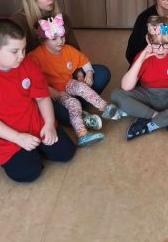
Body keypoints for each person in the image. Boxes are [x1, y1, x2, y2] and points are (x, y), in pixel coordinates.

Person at [0, 19, 76, 183]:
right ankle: (33, 151)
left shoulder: (27, 63)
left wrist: (49, 124)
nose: (21, 56)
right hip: (7, 139)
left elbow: (42, 97)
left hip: (35, 124)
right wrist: (18, 138)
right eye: (14, 51)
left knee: (66, 153)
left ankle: (42, 140)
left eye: (23, 49)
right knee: (29, 172)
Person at [11, 0, 112, 123]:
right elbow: (16, 68)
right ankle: (75, 110)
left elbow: (74, 51)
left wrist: (80, 74)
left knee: (102, 73)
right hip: (42, 87)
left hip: (66, 79)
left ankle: (75, 109)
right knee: (51, 108)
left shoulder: (62, 18)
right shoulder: (18, 23)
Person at [27, 15, 120, 147]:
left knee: (81, 86)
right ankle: (82, 134)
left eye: (62, 37)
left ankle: (105, 107)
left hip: (68, 83)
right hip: (55, 93)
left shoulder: (68, 50)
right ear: (43, 40)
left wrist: (89, 73)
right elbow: (31, 78)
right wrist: (50, 91)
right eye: (54, 38)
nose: (60, 41)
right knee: (73, 103)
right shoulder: (35, 57)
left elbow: (84, 61)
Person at [112, 16, 168, 140]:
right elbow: (126, 87)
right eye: (155, 44)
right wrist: (141, 59)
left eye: (165, 44)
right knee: (116, 95)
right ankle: (165, 120)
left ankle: (150, 123)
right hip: (148, 95)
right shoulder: (143, 56)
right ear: (148, 40)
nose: (161, 50)